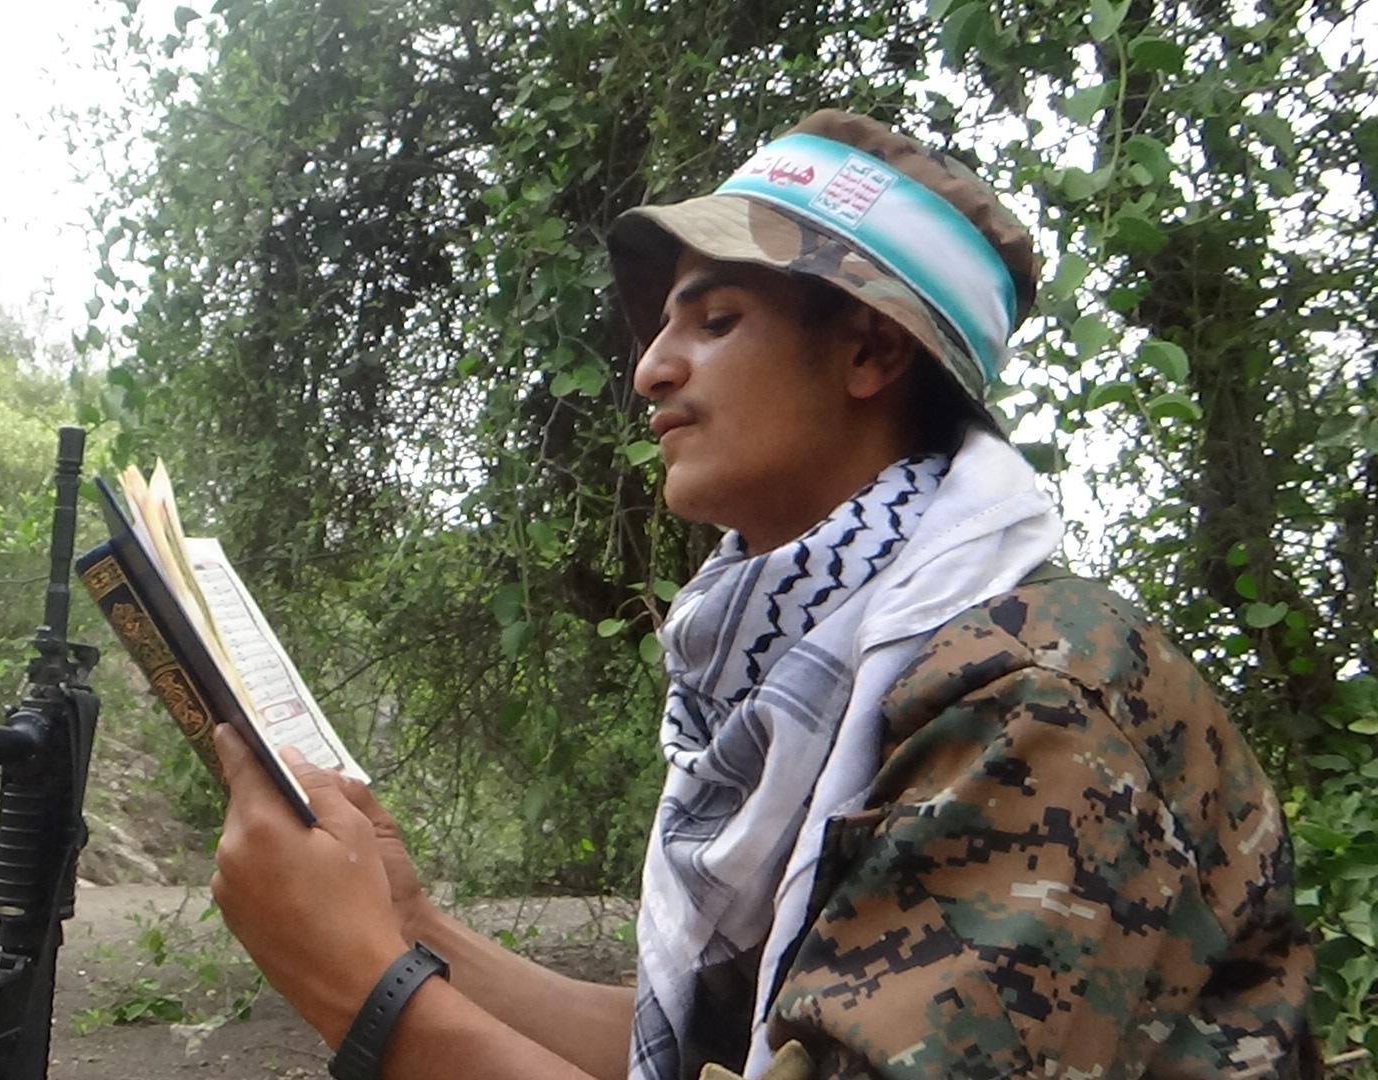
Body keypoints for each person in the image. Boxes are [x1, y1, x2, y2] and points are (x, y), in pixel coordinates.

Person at [208, 108, 1317, 1080]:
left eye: (716, 320)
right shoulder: (813, 680)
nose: (650, 366)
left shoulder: (1035, 704)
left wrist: (365, 991)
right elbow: (717, 1055)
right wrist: (410, 923)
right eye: (663, 326)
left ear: (870, 351)